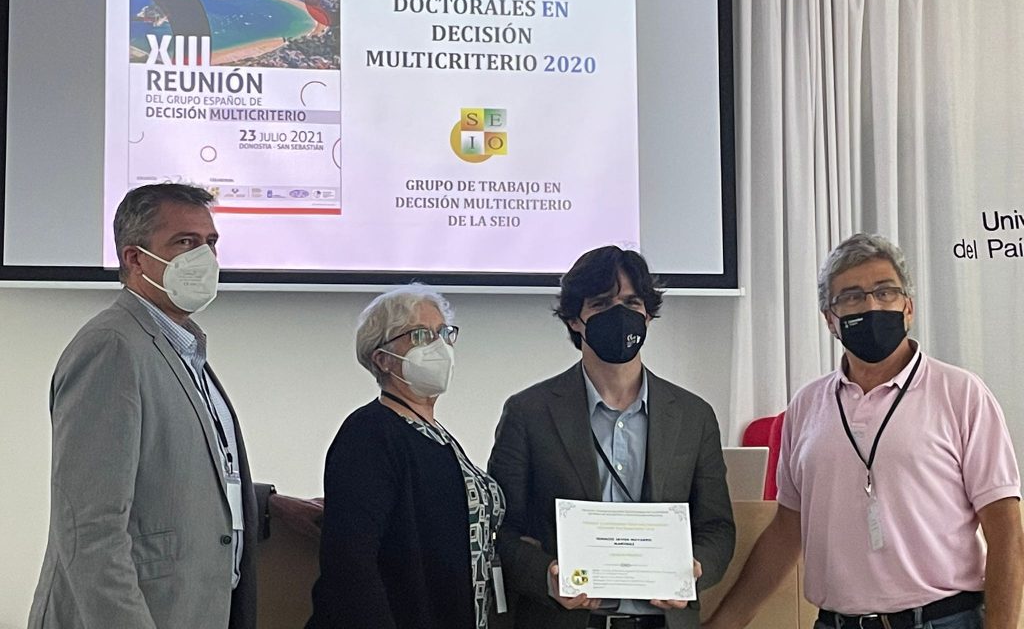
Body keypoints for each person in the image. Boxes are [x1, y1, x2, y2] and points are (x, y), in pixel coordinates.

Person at [703, 232, 1024, 629]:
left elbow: (1005, 531)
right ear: (830, 319)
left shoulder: (962, 394)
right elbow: (787, 530)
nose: (871, 306)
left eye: (885, 292)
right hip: (835, 622)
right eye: (851, 297)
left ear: (908, 307)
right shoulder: (807, 405)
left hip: (942, 619)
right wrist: (724, 623)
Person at [28, 183, 258, 629]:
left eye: (210, 243)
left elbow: (179, 478)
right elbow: (90, 528)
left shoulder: (182, 350)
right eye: (185, 242)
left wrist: (267, 505)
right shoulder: (113, 348)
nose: (205, 258)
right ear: (135, 259)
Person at [488, 245, 736, 629]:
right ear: (575, 319)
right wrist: (547, 577)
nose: (619, 315)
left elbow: (717, 527)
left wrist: (695, 569)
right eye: (602, 304)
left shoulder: (693, 416)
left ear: (648, 315)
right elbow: (501, 529)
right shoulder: (529, 412)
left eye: (632, 302)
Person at [307, 284, 506, 629]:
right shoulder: (370, 433)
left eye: (443, 333)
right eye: (419, 335)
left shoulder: (436, 434)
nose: (438, 346)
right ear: (382, 359)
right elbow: (352, 562)